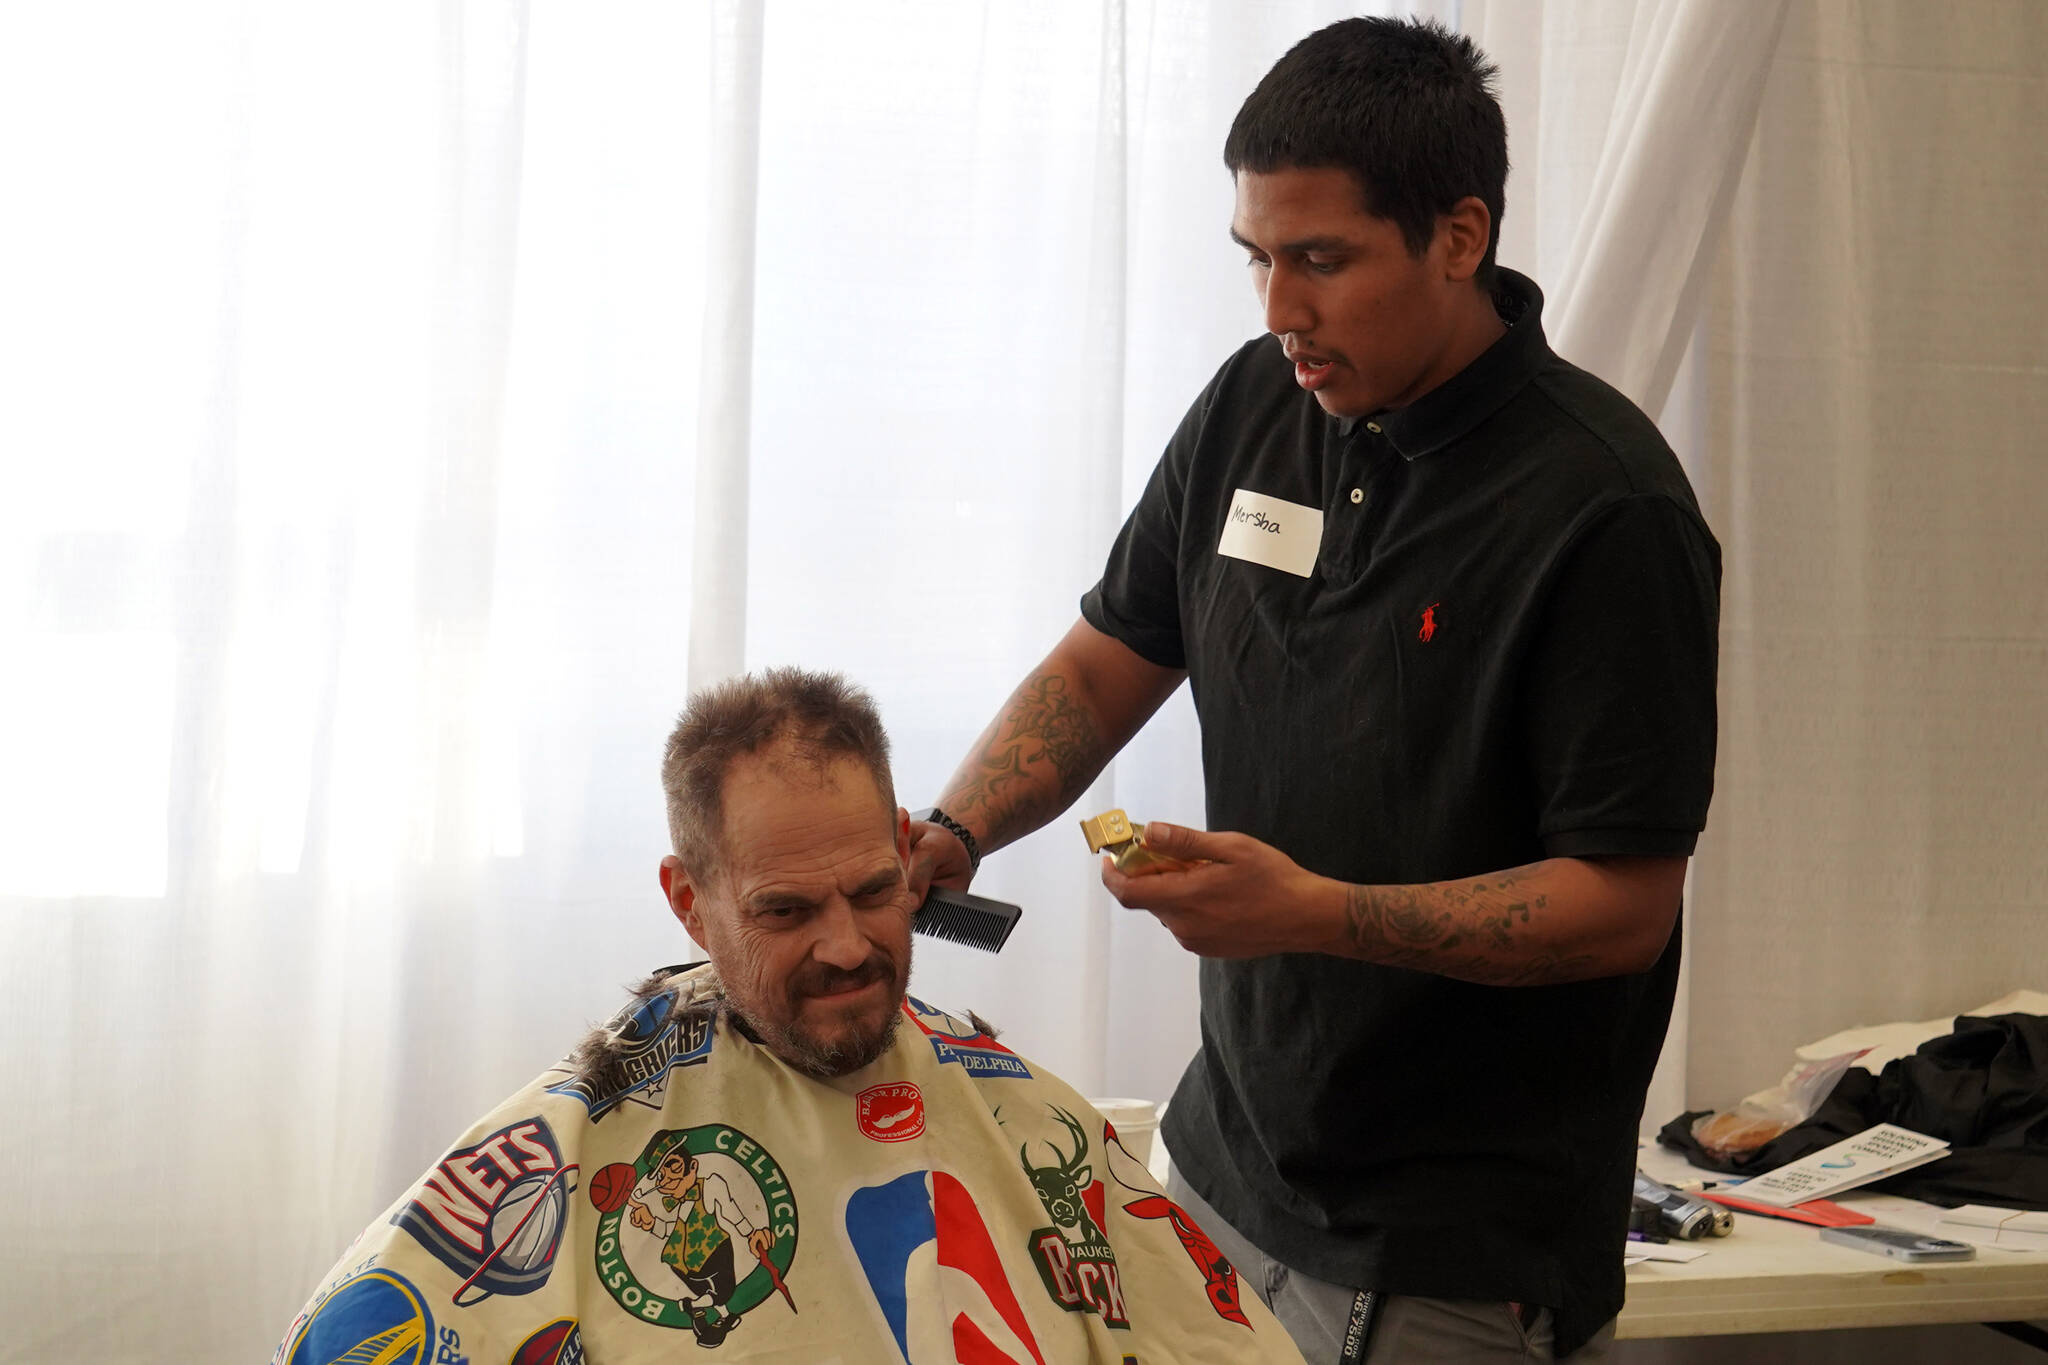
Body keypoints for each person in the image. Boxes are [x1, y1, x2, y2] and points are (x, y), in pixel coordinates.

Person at [909, 17, 1720, 1362]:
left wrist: (1313, 915)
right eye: (1258, 259)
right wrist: (954, 833)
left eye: (1321, 261)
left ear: (1459, 238)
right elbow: (1111, 653)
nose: (1279, 308)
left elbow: (1622, 908)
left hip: (1447, 1251)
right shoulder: (1257, 401)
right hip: (1220, 1168)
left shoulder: (1606, 511)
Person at [273, 667, 1306, 1365]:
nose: (847, 946)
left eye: (869, 890)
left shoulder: (1015, 1109)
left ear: (907, 849)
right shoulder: (584, 1132)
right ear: (690, 901)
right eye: (785, 911)